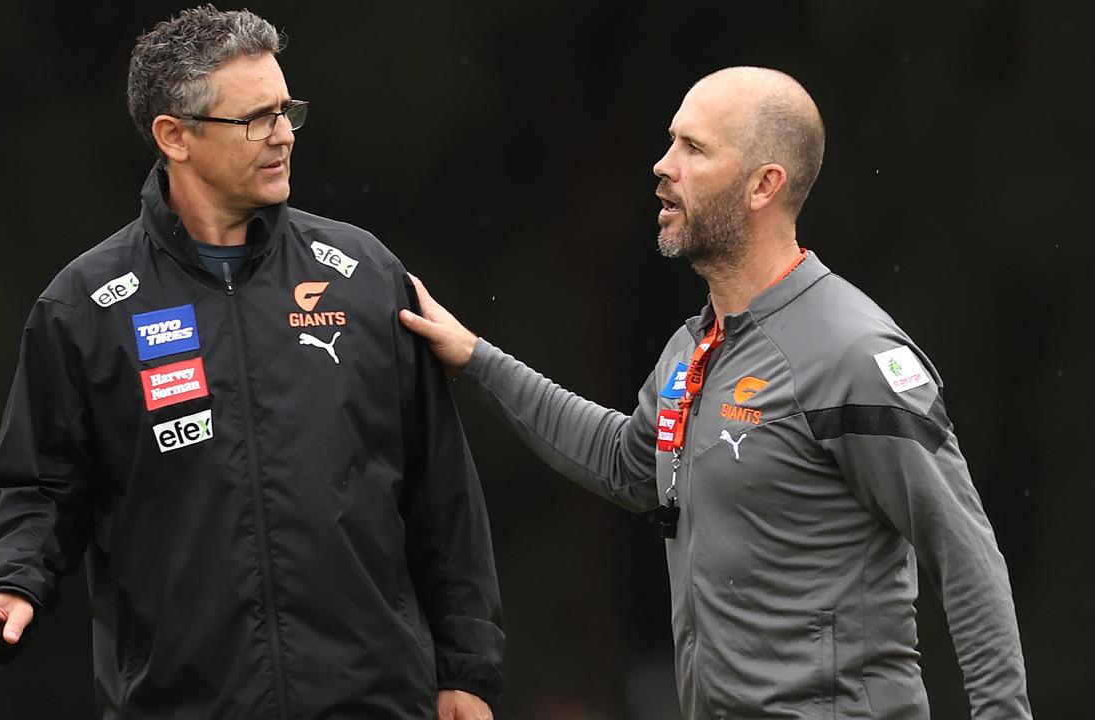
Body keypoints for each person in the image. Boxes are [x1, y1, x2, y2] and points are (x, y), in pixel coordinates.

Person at [0, 7, 502, 719]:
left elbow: (442, 493)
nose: (284, 134)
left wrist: (467, 670)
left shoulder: (363, 275)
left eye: (287, 110)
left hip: (374, 703)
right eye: (256, 118)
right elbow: (40, 487)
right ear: (175, 136)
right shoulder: (85, 306)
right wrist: (10, 580)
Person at [400, 67, 1030, 718]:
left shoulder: (855, 353)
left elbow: (967, 556)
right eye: (672, 142)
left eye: (694, 149)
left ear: (764, 185)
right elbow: (627, 461)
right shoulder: (694, 346)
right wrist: (477, 360)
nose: (662, 165)